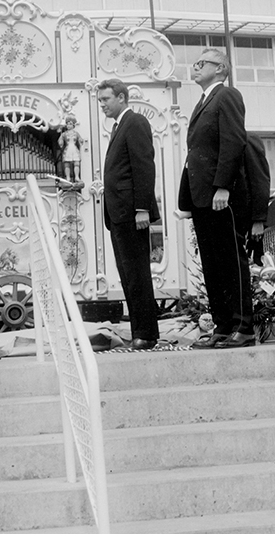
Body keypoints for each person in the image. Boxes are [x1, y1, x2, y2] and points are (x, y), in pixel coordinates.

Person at [179, 48, 253, 349]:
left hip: (221, 194)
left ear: (221, 68)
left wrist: (223, 186)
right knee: (211, 262)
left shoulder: (227, 96)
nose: (194, 67)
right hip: (202, 197)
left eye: (201, 63)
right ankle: (223, 325)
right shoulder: (203, 101)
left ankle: (243, 325)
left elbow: (233, 141)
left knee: (230, 260)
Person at [98, 78, 161, 350]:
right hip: (119, 214)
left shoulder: (134, 122)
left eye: (106, 100)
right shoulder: (118, 126)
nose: (102, 105)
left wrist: (142, 208)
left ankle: (146, 334)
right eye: (100, 101)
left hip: (131, 213)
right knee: (128, 275)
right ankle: (140, 332)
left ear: (122, 97)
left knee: (137, 275)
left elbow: (144, 166)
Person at [244, 133, 271, 266]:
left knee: (256, 266)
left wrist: (258, 220)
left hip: (250, 220)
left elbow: (260, 180)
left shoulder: (248, 141)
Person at [58, 115, 83, 183]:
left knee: (76, 162)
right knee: (67, 163)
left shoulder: (76, 133)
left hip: (74, 149)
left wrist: (81, 141)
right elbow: (60, 139)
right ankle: (68, 177)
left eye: (70, 124)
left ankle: (77, 176)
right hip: (68, 149)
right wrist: (61, 142)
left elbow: (80, 139)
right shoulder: (64, 134)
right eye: (67, 124)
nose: (68, 126)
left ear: (73, 125)